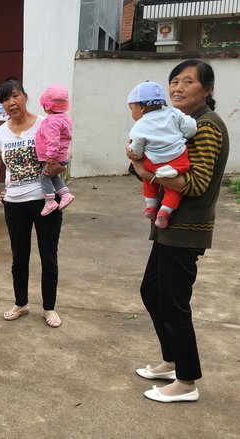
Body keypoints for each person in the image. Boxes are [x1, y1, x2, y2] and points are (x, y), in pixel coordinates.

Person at [128, 60, 229, 403]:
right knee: (151, 291)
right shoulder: (175, 122)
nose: (178, 88)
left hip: (187, 228)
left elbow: (195, 183)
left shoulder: (206, 126)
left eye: (188, 82)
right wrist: (143, 165)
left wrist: (143, 168)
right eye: (174, 81)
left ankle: (186, 382)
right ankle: (171, 362)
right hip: (171, 227)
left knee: (173, 302)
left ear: (208, 89)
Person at [0, 79, 65, 328]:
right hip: (15, 203)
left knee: (48, 257)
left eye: (16, 96)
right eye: (6, 99)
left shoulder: (45, 123)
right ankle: (21, 303)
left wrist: (59, 166)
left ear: (25, 97)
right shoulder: (0, 132)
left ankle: (49, 308)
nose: (11, 102)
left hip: (46, 202)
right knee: (19, 257)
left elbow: (62, 156)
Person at [127, 80, 197, 228]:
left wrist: (135, 156)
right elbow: (191, 128)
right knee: (173, 187)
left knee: (148, 180)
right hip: (178, 160)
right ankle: (164, 212)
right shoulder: (174, 113)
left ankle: (151, 207)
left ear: (142, 108)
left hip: (153, 163)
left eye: (131, 108)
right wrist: (183, 136)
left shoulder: (139, 126)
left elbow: (136, 148)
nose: (131, 112)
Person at [35, 84, 75, 216]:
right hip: (61, 156)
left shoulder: (53, 122)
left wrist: (50, 157)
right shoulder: (64, 118)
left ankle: (50, 201)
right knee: (53, 177)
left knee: (45, 178)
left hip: (53, 158)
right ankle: (65, 194)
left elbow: (53, 140)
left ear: (48, 106)